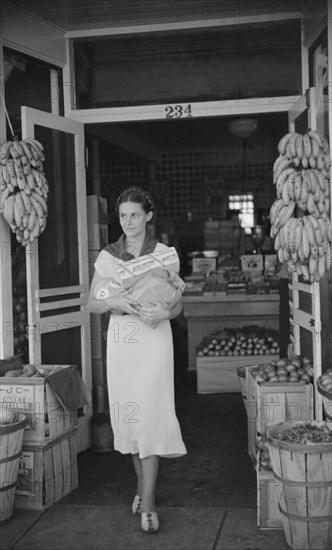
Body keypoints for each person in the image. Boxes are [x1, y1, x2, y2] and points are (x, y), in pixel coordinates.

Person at [86, 186, 187, 533]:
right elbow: (93, 302)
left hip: (155, 338)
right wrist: (118, 302)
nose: (128, 222)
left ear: (148, 216)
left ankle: (149, 499)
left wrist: (166, 312)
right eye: (123, 216)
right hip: (123, 338)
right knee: (129, 417)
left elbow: (179, 303)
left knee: (152, 415)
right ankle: (143, 491)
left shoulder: (164, 255)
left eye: (135, 215)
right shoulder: (109, 256)